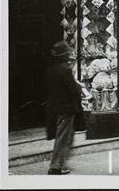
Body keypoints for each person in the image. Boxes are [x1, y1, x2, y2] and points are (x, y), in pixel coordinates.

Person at [45, 40, 82, 175]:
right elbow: (73, 90)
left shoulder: (50, 70)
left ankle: (60, 162)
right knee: (63, 137)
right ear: (64, 56)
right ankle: (56, 166)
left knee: (64, 136)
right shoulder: (65, 70)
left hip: (54, 107)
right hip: (66, 108)